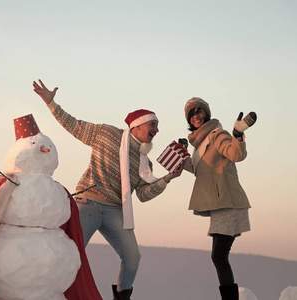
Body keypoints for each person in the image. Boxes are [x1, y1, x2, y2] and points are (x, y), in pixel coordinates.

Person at [33, 79, 184, 300]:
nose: (157, 130)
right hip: (88, 204)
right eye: (153, 125)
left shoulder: (145, 162)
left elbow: (143, 194)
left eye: (157, 127)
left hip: (116, 211)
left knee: (133, 257)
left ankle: (122, 297)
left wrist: (168, 178)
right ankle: (49, 294)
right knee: (70, 254)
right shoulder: (106, 134)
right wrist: (51, 103)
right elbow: (74, 125)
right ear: (138, 125)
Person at [182, 97, 257, 300]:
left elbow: (235, 154)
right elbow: (200, 170)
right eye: (191, 114)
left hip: (228, 203)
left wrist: (237, 134)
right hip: (220, 205)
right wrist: (182, 156)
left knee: (219, 256)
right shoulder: (198, 144)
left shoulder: (216, 135)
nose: (196, 116)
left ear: (206, 113)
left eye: (199, 111)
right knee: (219, 257)